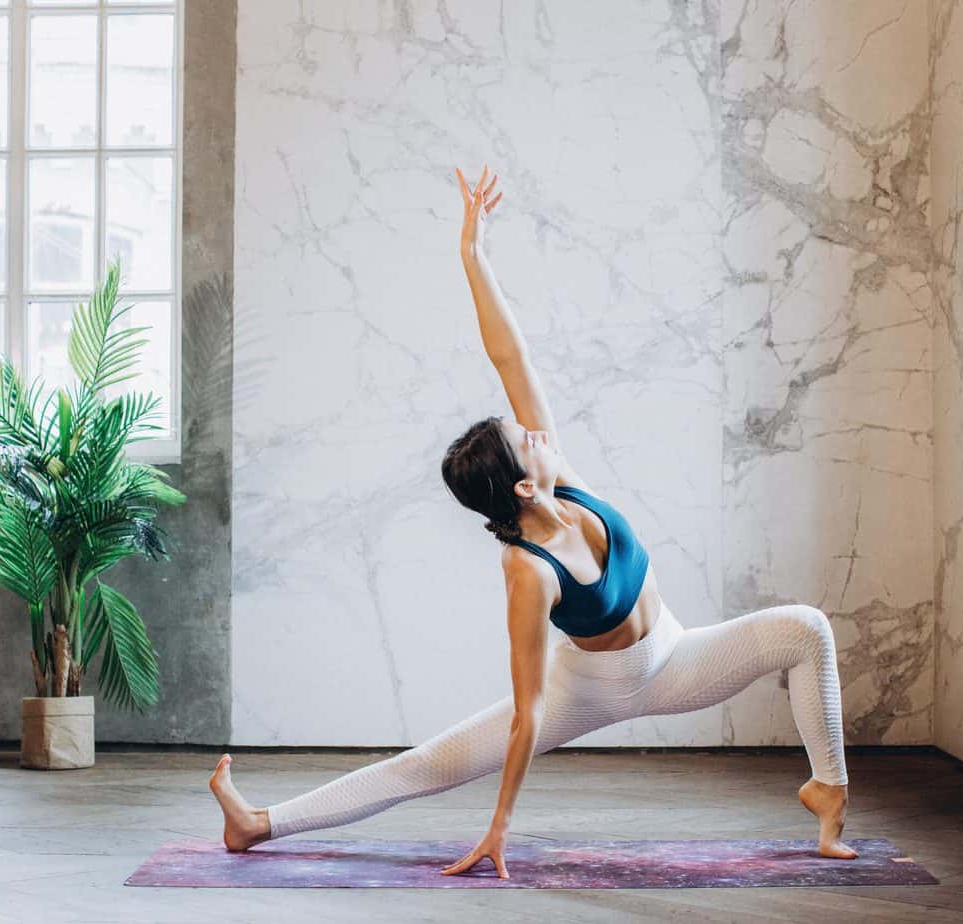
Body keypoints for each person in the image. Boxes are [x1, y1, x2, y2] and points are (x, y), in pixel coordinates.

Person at [208, 165, 856, 878]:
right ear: (521, 481)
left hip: (673, 659)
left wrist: (473, 255)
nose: (537, 430)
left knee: (805, 629)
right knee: (427, 765)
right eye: (526, 438)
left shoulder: (564, 481)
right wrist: (499, 825)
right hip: (593, 688)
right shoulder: (527, 570)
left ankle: (827, 790)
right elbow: (528, 712)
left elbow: (510, 354)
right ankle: (258, 824)